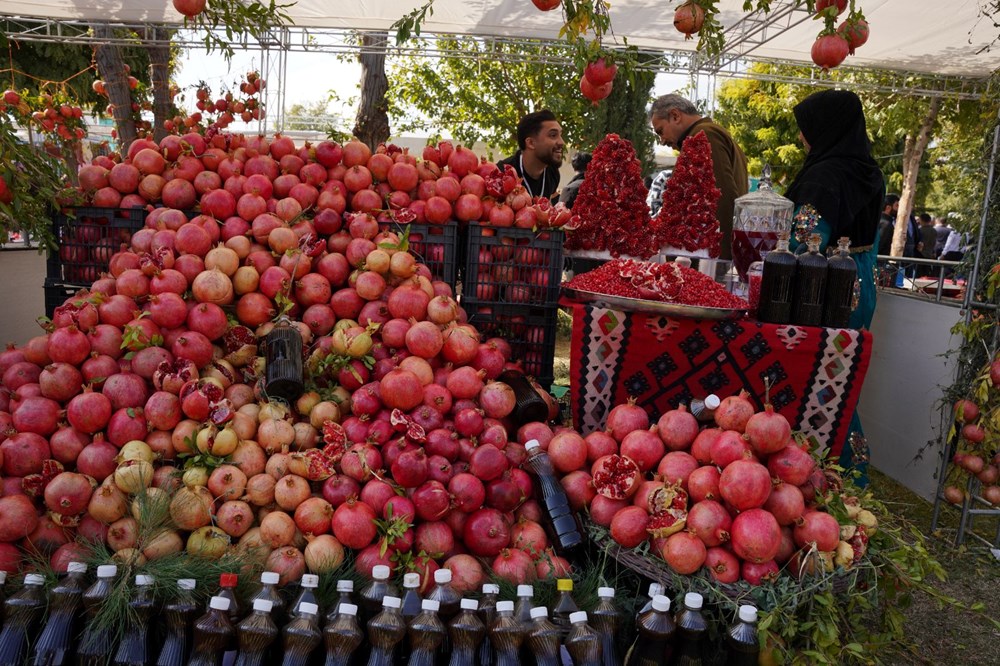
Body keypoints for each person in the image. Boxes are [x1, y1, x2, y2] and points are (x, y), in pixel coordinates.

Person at [784, 89, 885, 486]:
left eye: (805, 128)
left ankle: (826, 478)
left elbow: (806, 241)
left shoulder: (825, 175)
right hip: (860, 283)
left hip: (823, 287)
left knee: (818, 377)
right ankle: (851, 473)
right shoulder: (867, 170)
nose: (801, 137)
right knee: (843, 377)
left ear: (825, 127)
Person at [649, 94, 748, 259]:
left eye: (661, 131)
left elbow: (721, 197)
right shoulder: (706, 133)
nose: (662, 141)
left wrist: (718, 260)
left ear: (675, 116)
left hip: (706, 256)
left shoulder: (704, 134)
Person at [498, 109, 564, 201]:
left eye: (560, 135)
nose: (562, 142)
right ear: (531, 143)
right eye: (553, 135)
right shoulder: (501, 174)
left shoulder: (553, 173)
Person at [918, 213, 937, 277]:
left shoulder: (920, 230)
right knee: (927, 273)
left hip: (921, 254)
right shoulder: (934, 230)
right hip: (930, 254)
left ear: (922, 220)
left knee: (919, 273)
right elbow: (934, 243)